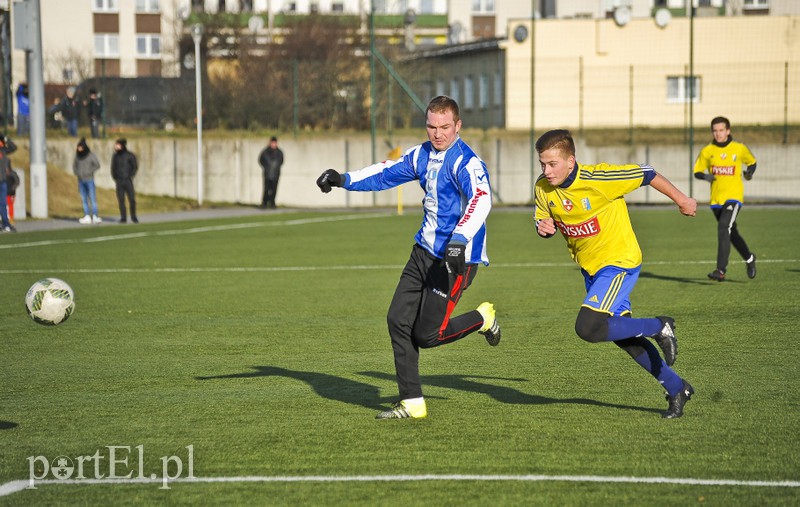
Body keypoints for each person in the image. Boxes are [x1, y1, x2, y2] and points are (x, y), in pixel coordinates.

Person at [315, 95, 500, 420]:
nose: (437, 133)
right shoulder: (422, 155)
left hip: (456, 259)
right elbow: (386, 173)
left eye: (445, 127)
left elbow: (481, 201)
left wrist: (458, 239)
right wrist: (343, 179)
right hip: (422, 252)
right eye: (431, 126)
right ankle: (412, 401)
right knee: (396, 320)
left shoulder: (467, 163)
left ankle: (482, 318)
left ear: (457, 126)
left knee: (427, 336)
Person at [533, 129, 697, 419]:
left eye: (552, 164)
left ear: (570, 161)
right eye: (542, 164)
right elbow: (544, 219)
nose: (546, 171)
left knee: (587, 327)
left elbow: (647, 173)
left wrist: (682, 199)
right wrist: (543, 228)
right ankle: (677, 388)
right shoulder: (543, 188)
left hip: (620, 262)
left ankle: (660, 326)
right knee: (626, 339)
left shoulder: (600, 179)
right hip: (592, 269)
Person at [693, 116, 757, 282]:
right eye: (715, 130)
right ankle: (750, 258)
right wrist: (706, 177)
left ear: (728, 131)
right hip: (716, 201)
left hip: (733, 198)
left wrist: (749, 172)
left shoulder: (739, 148)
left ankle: (720, 270)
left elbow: (752, 162)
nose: (718, 133)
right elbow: (697, 171)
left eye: (721, 130)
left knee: (723, 228)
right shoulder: (707, 151)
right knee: (730, 232)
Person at [73, 138, 102, 224]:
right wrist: (77, 173)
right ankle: (87, 216)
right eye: (78, 147)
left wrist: (89, 172)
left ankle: (95, 216)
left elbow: (97, 165)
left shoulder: (90, 155)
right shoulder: (77, 156)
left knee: (92, 199)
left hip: (89, 179)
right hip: (81, 180)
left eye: (81, 147)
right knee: (84, 199)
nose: (79, 149)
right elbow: (75, 166)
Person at [111, 138, 138, 223]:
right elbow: (113, 168)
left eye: (117, 144)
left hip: (128, 181)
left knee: (132, 200)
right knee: (121, 200)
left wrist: (130, 176)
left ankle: (134, 217)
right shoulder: (115, 156)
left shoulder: (130, 155)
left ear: (122, 145)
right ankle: (123, 218)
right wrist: (115, 177)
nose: (115, 146)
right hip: (119, 181)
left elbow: (135, 167)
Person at [258, 136, 284, 209]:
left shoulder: (279, 153)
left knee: (274, 189)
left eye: (274, 143)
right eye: (272, 143)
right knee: (266, 189)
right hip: (267, 173)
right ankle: (264, 203)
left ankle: (272, 203)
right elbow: (260, 160)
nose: (273, 144)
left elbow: (281, 161)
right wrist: (266, 167)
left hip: (276, 174)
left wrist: (276, 168)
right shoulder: (265, 152)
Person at [0, 138, 15, 232]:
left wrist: (6, 139)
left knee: (3, 203)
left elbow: (13, 147)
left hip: (2, 181)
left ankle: (6, 223)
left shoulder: (3, 152)